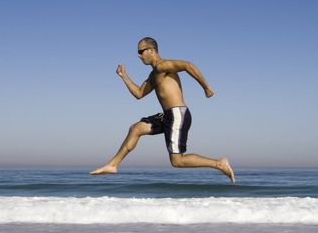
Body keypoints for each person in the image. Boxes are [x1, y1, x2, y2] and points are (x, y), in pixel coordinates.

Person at [90, 37, 235, 183]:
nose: (139, 56)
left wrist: (206, 87)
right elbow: (139, 94)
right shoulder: (153, 75)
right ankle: (113, 165)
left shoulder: (163, 66)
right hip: (167, 115)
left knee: (177, 161)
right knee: (136, 128)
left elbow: (188, 65)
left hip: (178, 114)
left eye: (141, 51)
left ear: (152, 50)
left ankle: (219, 163)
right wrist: (124, 76)